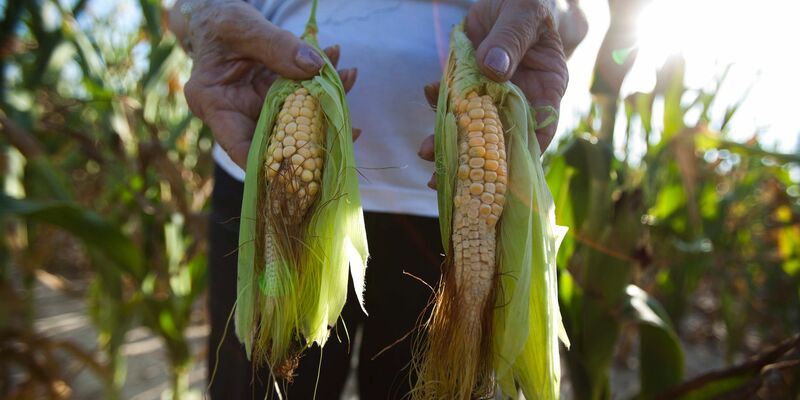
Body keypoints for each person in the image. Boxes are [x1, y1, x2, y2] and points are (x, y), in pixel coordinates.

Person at [168, 0, 586, 398]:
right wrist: (201, 12)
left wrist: (547, 12)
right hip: (258, 169)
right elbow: (187, 9)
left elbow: (571, 17)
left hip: (439, 214)